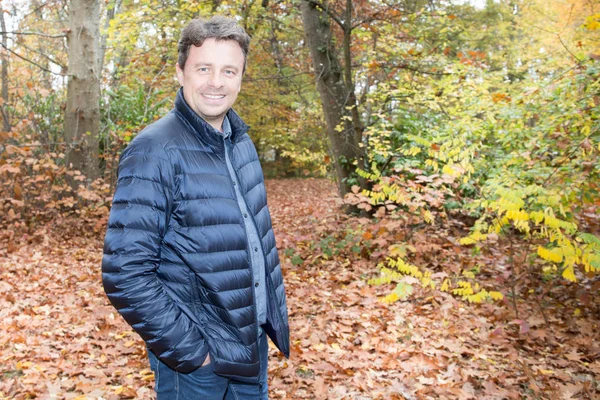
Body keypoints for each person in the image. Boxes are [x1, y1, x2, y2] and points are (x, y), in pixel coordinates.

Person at [101, 16, 290, 399]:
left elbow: (254, 241)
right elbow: (124, 271)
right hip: (197, 365)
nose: (216, 82)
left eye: (229, 70)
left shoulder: (241, 143)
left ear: (240, 77)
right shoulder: (154, 149)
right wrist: (193, 352)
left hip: (250, 347)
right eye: (203, 68)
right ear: (180, 72)